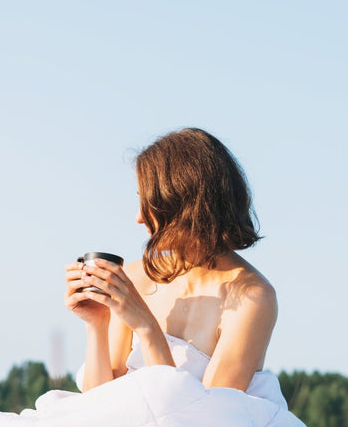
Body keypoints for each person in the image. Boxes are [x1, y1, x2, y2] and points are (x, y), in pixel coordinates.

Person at [64, 128, 277, 393]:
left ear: (180, 203)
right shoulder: (135, 278)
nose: (139, 217)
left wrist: (146, 326)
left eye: (149, 202)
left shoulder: (253, 297)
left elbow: (204, 422)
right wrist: (97, 323)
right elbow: (97, 400)